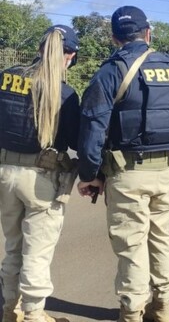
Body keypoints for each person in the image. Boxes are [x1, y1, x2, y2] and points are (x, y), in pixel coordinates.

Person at [76, 6, 169, 322]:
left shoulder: (111, 71)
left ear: (114, 37)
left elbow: (93, 127)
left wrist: (90, 174)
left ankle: (131, 313)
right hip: (168, 169)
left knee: (131, 246)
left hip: (127, 172)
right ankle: (162, 306)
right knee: (160, 238)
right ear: (148, 32)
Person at [0, 25, 80, 322]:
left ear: (39, 48)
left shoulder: (6, 77)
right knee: (37, 252)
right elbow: (75, 140)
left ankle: (10, 309)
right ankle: (34, 314)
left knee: (13, 246)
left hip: (5, 173)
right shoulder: (66, 93)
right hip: (42, 179)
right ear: (69, 56)